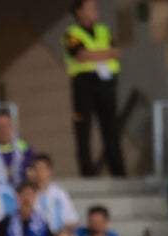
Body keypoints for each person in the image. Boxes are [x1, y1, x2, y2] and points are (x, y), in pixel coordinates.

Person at [64, 0, 126, 177]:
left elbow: (116, 51)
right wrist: (104, 54)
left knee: (111, 127)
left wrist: (94, 55)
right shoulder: (72, 33)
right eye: (90, 7)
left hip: (106, 82)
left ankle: (118, 170)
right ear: (79, 11)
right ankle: (87, 172)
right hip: (84, 82)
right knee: (83, 127)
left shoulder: (103, 30)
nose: (94, 10)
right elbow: (81, 55)